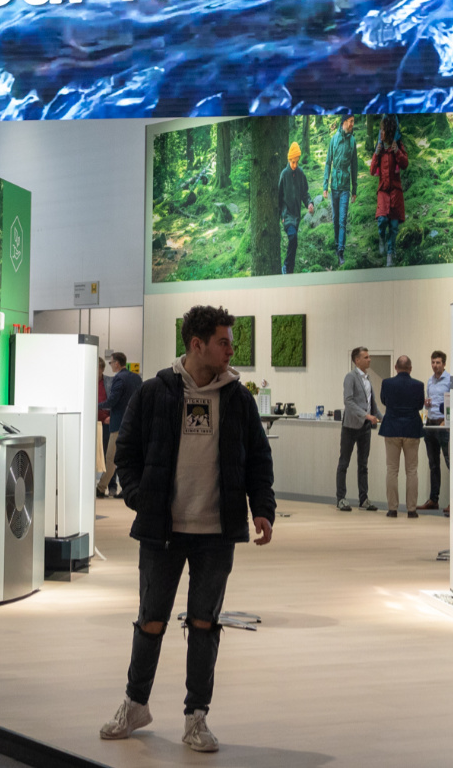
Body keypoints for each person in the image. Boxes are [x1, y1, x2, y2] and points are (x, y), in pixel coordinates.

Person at [99, 304, 275, 754]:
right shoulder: (156, 391)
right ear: (196, 345)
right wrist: (138, 495)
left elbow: (258, 457)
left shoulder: (238, 398)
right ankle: (135, 704)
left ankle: (196, 717)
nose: (230, 349)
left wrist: (263, 507)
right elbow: (127, 450)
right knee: (150, 620)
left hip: (217, 533)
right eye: (223, 342)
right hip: (163, 530)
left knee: (204, 623)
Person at [378, 355, 425, 518]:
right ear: (410, 368)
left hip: (391, 428)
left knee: (392, 469)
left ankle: (392, 509)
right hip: (412, 429)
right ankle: (411, 510)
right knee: (412, 470)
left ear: (396, 368)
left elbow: (384, 401)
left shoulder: (387, 383)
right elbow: (420, 405)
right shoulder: (418, 385)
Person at [335, 346, 381, 512]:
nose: (369, 360)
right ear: (357, 360)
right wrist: (366, 416)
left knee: (363, 464)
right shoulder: (350, 377)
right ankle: (341, 498)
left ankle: (364, 499)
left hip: (365, 428)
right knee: (344, 463)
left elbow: (371, 403)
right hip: (350, 426)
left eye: (369, 357)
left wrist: (382, 417)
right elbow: (348, 401)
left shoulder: (367, 379)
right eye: (366, 357)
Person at [369, 116, 409, 268]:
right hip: (383, 192)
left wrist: (397, 151)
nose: (382, 132)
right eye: (381, 129)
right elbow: (372, 170)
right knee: (382, 220)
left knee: (393, 225)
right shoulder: (379, 147)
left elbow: (405, 164)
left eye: (384, 130)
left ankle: (390, 255)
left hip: (395, 192)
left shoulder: (397, 146)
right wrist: (376, 154)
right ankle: (381, 238)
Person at [98, 352, 139, 497]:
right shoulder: (136, 378)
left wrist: (95, 405)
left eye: (111, 363)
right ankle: (128, 489)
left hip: (119, 425)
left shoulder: (119, 379)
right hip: (134, 424)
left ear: (116, 363)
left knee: (111, 458)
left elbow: (112, 401)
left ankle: (101, 488)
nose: (111, 366)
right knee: (129, 459)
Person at [323, 114, 358, 268]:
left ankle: (341, 251)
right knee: (336, 218)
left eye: (353, 122)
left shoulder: (353, 141)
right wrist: (325, 186)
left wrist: (354, 189)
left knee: (343, 219)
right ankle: (337, 244)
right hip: (334, 186)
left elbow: (355, 166)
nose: (352, 125)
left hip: (345, 187)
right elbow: (327, 163)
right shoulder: (334, 140)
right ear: (344, 122)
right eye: (351, 122)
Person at [423, 351, 453, 514]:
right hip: (430, 425)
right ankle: (434, 500)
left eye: (438, 362)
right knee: (433, 464)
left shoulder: (450, 380)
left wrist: (446, 420)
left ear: (444, 364)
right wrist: (426, 405)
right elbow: (431, 404)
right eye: (433, 362)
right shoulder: (429, 380)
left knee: (450, 463)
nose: (435, 365)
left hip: (444, 426)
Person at [278, 141, 313, 274]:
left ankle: (290, 270)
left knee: (294, 242)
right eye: (293, 162)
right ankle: (286, 266)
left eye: (297, 162)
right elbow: (279, 197)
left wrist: (309, 203)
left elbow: (305, 193)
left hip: (296, 215)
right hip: (286, 215)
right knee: (293, 237)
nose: (295, 165)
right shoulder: (284, 175)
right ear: (289, 159)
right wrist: (281, 215)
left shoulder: (300, 173)